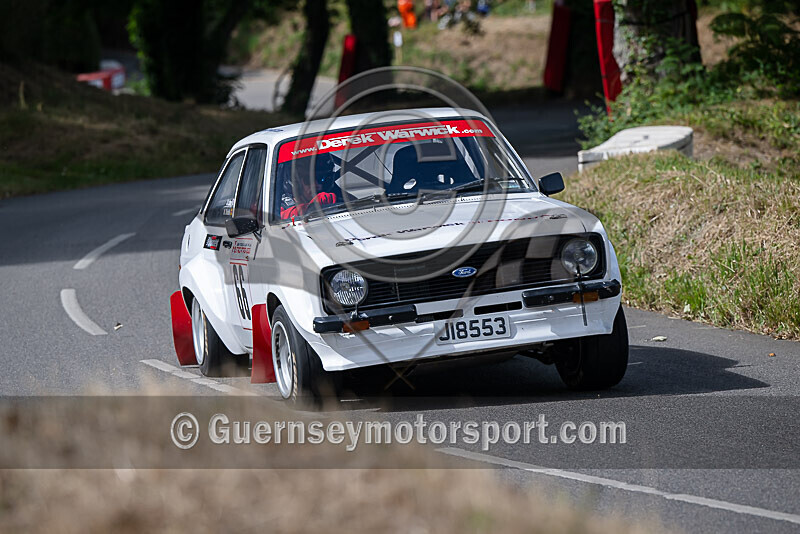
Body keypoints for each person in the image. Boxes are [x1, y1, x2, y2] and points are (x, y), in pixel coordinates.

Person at [279, 155, 340, 219]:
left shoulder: (337, 196)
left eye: (321, 179)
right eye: (308, 180)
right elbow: (279, 219)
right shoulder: (279, 205)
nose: (315, 185)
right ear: (295, 183)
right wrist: (313, 207)